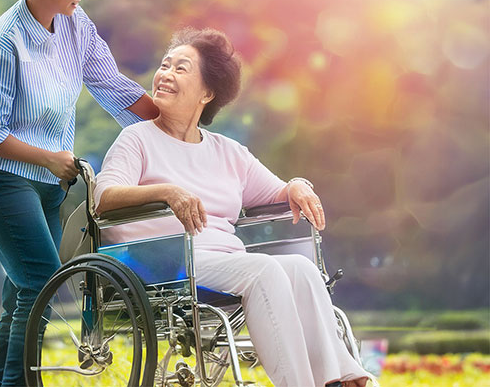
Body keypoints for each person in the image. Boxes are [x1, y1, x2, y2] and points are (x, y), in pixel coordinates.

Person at [94, 28, 371, 387]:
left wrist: (298, 186)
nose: (165, 75)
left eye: (181, 69)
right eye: (165, 66)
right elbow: (104, 197)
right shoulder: (137, 139)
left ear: (207, 93)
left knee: (300, 268)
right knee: (263, 270)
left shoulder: (228, 151)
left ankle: (341, 378)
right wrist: (166, 192)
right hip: (163, 263)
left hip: (224, 263)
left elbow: (278, 191)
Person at [0, 0, 158, 387]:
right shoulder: (3, 43)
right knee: (41, 280)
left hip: (51, 179)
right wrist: (50, 158)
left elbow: (111, 86)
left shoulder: (76, 26)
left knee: (23, 292)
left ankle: (0, 383)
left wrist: (171, 124)